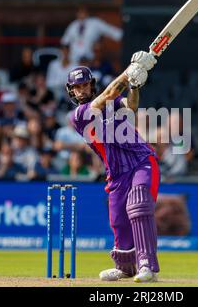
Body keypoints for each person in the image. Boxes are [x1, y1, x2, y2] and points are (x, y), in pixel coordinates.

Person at [65, 50, 160, 282]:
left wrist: (135, 85)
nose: (81, 90)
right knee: (118, 219)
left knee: (138, 205)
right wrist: (129, 73)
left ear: (91, 85)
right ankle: (126, 267)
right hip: (116, 172)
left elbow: (131, 106)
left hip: (140, 160)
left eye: (85, 85)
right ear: (71, 92)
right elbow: (110, 92)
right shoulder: (79, 115)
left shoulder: (112, 104)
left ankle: (146, 264)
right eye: (77, 87)